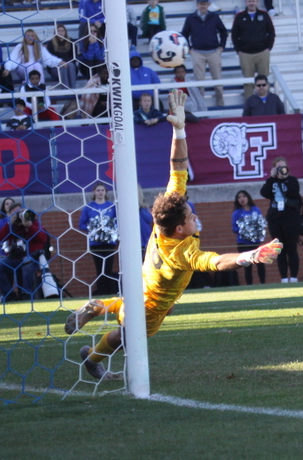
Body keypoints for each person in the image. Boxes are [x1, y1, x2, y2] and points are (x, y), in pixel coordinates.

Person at [68, 90, 283, 380]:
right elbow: (216, 262)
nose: (195, 215)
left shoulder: (166, 215)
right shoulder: (180, 252)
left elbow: (178, 166)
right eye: (191, 216)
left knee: (128, 311)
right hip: (153, 306)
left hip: (143, 287)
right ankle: (93, 356)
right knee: (129, 335)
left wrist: (179, 129)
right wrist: (251, 255)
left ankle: (96, 310)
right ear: (180, 228)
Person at [0, 203, 46, 302]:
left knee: (27, 261)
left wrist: (29, 226)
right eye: (15, 214)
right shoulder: (12, 226)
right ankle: (9, 295)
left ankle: (27, 294)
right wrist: (9, 224)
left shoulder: (34, 222)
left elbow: (43, 239)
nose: (18, 215)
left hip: (33, 258)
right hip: (16, 258)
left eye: (19, 212)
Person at [181, 0, 228, 107]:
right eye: (201, 4)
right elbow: (184, 34)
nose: (203, 6)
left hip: (213, 52)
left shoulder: (214, 17)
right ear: (197, 5)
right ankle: (201, 107)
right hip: (197, 53)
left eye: (205, 4)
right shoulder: (190, 18)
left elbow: (223, 31)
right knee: (199, 83)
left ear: (208, 5)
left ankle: (220, 105)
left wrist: (221, 47)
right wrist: (189, 49)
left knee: (217, 81)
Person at [260, 157, 301, 283]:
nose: (281, 170)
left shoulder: (292, 180)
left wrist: (285, 180)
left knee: (292, 248)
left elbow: (295, 193)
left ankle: (293, 277)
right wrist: (272, 178)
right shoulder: (271, 181)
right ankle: (284, 277)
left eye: (283, 167)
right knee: (279, 249)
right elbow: (264, 193)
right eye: (278, 167)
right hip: (275, 219)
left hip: (290, 218)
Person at [232, 0, 276, 99]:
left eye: (253, 1)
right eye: (249, 1)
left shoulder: (264, 15)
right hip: (246, 54)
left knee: (264, 80)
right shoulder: (239, 16)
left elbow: (271, 32)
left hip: (262, 53)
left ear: (257, 2)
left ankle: (266, 103)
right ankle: (249, 106)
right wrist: (239, 51)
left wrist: (268, 48)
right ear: (246, 3)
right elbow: (234, 35)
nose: (251, 3)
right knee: (248, 82)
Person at [78, 181, 119, 296]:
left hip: (109, 242)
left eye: (102, 190)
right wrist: (94, 228)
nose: (100, 192)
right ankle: (102, 290)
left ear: (106, 192)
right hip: (95, 243)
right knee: (99, 267)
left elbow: (118, 222)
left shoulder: (112, 206)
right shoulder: (89, 208)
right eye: (98, 190)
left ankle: (110, 291)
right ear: (94, 192)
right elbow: (81, 224)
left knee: (108, 267)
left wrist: (110, 230)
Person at [231, 190, 267, 285]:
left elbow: (261, 223)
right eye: (239, 197)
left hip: (255, 241)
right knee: (247, 265)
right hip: (243, 243)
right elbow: (234, 229)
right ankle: (249, 285)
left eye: (244, 196)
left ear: (248, 198)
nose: (242, 199)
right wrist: (244, 229)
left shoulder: (256, 209)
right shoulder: (236, 213)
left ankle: (263, 283)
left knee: (260, 263)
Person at [45, 25, 78, 89]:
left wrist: (65, 62)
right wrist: (62, 62)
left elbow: (74, 57)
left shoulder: (71, 42)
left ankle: (73, 91)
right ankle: (66, 91)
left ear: (65, 32)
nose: (61, 32)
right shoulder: (51, 44)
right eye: (59, 31)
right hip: (56, 68)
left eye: (62, 31)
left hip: (70, 66)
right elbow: (50, 59)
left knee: (70, 65)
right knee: (63, 67)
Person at [138, 185, 153, 260]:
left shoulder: (144, 207)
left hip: (145, 240)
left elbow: (149, 219)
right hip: (134, 241)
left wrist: (139, 209)